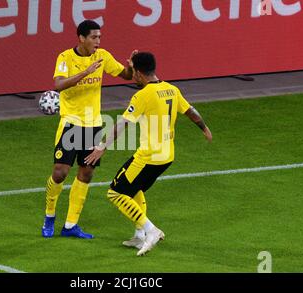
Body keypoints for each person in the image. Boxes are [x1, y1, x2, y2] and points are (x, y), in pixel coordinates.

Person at [84, 52, 212, 255]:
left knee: (115, 193)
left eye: (133, 71)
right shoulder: (171, 89)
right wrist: (205, 128)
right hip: (167, 156)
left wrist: (101, 147)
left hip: (148, 157)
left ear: (140, 73)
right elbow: (190, 111)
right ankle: (139, 236)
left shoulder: (143, 95)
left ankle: (150, 230)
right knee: (135, 189)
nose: (131, 75)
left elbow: (122, 124)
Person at [41, 20, 136, 239]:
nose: (98, 41)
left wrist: (130, 66)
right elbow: (59, 85)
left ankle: (70, 225)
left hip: (93, 124)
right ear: (81, 38)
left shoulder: (103, 56)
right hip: (71, 122)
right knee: (60, 172)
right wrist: (85, 72)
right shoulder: (65, 57)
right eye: (94, 37)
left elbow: (127, 76)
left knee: (86, 173)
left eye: (100, 37)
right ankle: (49, 215)